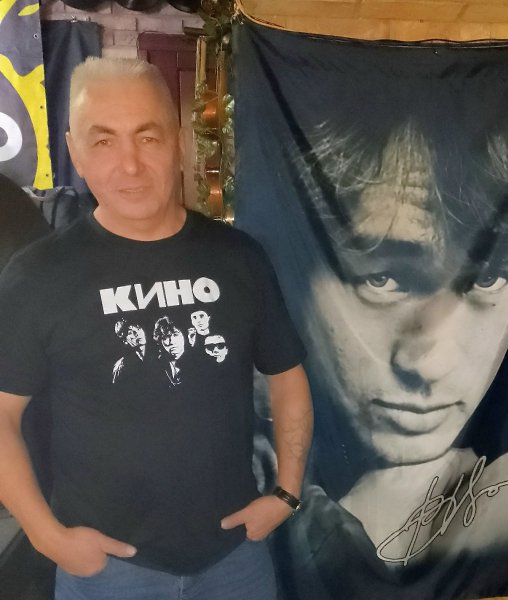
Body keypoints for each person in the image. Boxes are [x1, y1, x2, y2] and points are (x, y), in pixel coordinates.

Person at [0, 57, 312, 600]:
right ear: (75, 151)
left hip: (234, 559)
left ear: (179, 142)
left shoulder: (239, 258)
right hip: (106, 570)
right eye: (103, 141)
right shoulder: (37, 276)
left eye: (148, 137)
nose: (130, 165)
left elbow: (287, 375)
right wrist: (48, 537)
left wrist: (286, 492)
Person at [270, 117, 508, 600]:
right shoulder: (239, 431)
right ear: (296, 269)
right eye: (382, 279)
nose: (430, 364)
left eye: (487, 279)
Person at [153, 316, 186, 386]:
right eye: (166, 337)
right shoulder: (158, 365)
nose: (171, 342)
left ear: (184, 335)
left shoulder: (196, 360)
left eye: (175, 335)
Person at [112, 319, 147, 383]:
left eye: (138, 328)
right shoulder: (122, 367)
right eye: (130, 332)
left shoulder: (160, 355)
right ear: (125, 341)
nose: (137, 333)